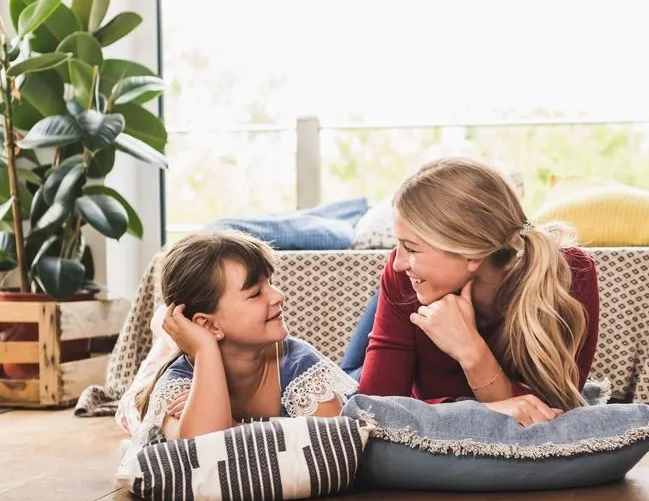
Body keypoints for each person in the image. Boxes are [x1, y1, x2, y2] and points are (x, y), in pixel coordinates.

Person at [357, 157, 600, 426]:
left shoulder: (569, 274)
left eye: (412, 249)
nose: (398, 262)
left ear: (471, 254)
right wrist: (487, 410)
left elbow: (553, 421)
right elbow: (374, 413)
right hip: (395, 319)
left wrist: (472, 352)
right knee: (327, 382)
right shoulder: (401, 274)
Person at [134, 230, 357, 443]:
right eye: (256, 293)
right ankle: (165, 335)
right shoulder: (177, 385)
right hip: (152, 383)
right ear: (209, 325)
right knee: (132, 405)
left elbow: (332, 440)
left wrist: (232, 425)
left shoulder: (300, 364)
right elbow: (200, 449)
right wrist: (204, 349)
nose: (279, 296)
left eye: (270, 283)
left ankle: (167, 332)